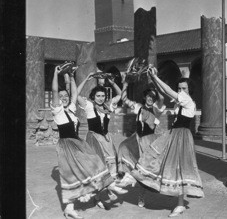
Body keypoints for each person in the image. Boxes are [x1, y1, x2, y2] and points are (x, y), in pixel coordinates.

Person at [123, 67, 204, 217]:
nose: (181, 91)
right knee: (162, 159)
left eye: (184, 88)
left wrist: (155, 77)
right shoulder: (180, 102)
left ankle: (179, 204)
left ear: (189, 90)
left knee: (175, 165)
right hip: (175, 134)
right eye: (179, 88)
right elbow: (165, 92)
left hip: (181, 136)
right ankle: (137, 176)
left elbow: (166, 91)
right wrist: (153, 78)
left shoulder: (187, 100)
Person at [50, 66, 113, 218]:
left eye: (66, 96)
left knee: (91, 165)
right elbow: (54, 91)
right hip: (66, 146)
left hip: (77, 144)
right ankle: (70, 209)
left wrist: (73, 76)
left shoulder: (71, 109)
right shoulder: (57, 110)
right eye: (61, 96)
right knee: (72, 175)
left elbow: (75, 93)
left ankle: (95, 196)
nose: (64, 98)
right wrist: (55, 73)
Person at [76, 72, 127, 209]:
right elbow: (75, 93)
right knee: (98, 168)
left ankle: (110, 190)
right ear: (93, 96)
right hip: (94, 139)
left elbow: (121, 94)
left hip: (106, 139)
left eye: (103, 96)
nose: (100, 98)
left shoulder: (108, 106)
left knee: (110, 165)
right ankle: (99, 197)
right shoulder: (88, 106)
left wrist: (112, 82)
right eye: (98, 96)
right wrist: (86, 78)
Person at [116, 76, 166, 208]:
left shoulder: (156, 108)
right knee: (123, 146)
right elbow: (125, 99)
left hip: (150, 142)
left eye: (152, 96)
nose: (150, 98)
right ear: (145, 97)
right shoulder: (138, 107)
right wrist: (125, 84)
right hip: (137, 139)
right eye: (148, 96)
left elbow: (162, 98)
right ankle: (125, 175)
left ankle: (141, 195)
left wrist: (155, 81)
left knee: (144, 171)